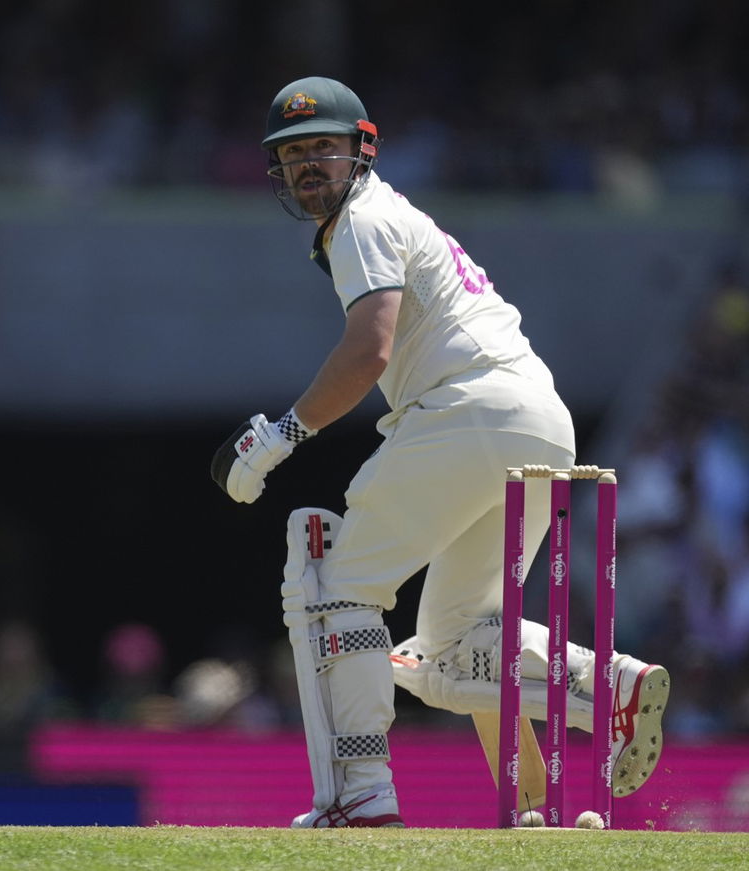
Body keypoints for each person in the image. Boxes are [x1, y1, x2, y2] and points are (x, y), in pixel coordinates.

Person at [210, 77, 670, 828]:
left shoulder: (362, 218)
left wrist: (274, 441)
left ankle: (360, 796)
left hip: (470, 412)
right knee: (453, 650)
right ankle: (608, 695)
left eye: (322, 148)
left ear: (363, 149)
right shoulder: (387, 216)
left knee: (339, 586)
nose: (307, 167)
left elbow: (368, 351)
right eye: (293, 155)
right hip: (537, 421)